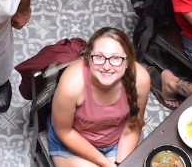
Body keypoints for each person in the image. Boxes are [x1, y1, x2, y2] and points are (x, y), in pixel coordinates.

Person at [49, 27, 150, 167]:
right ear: (88, 59)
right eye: (99, 57)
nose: (107, 66)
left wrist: (121, 162)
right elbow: (64, 132)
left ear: (127, 62)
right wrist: (106, 164)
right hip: (74, 143)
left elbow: (134, 123)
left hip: (117, 141)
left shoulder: (140, 79)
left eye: (116, 58)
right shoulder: (72, 85)